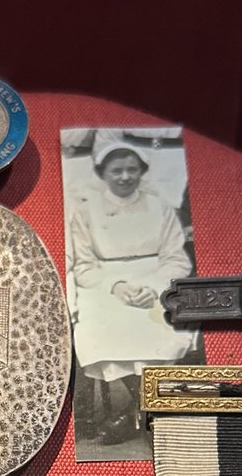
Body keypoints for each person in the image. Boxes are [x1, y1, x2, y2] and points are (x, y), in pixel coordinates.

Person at [69, 143, 198, 446]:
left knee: (160, 324)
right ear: (103, 173)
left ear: (142, 171)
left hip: (156, 281)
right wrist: (116, 286)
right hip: (104, 284)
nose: (125, 176)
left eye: (132, 169)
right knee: (100, 325)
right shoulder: (86, 211)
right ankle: (150, 408)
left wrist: (153, 286)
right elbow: (84, 266)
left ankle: (135, 412)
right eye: (117, 170)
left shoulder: (160, 207)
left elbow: (177, 259)